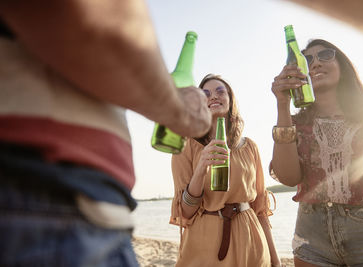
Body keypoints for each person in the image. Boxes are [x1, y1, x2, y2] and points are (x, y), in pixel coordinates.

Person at [0, 1, 211, 266]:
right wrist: (180, 111)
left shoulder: (247, 145)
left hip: (65, 204)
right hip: (51, 195)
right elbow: (94, 15)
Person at [270, 38, 363, 266]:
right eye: (307, 60)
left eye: (326, 55)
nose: (316, 63)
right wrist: (282, 104)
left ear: (342, 64)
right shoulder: (295, 123)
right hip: (311, 235)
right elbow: (288, 178)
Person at [170, 74, 282, 267]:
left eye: (220, 91)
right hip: (204, 244)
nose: (213, 96)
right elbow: (185, 213)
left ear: (230, 100)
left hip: (251, 241)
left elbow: (260, 210)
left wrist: (275, 259)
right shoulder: (185, 146)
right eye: (206, 93)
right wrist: (201, 168)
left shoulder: (250, 147)